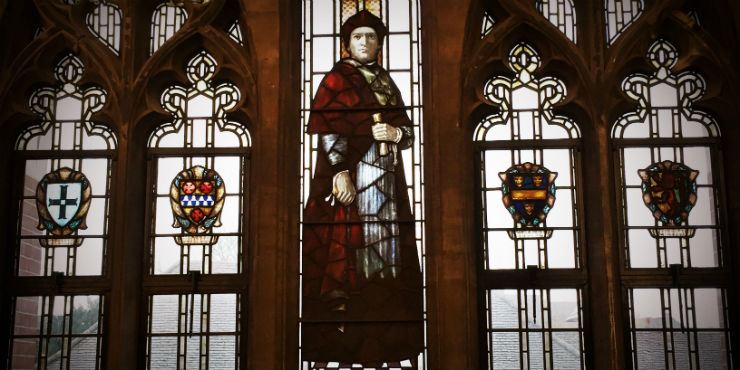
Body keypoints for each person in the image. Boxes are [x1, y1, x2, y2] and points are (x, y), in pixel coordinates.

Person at [301, 10, 423, 364]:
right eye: (358, 37)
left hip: (386, 178)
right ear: (347, 44)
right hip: (353, 177)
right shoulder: (336, 80)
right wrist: (339, 172)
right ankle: (343, 333)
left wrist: (397, 134)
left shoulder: (386, 82)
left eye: (371, 37)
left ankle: (384, 328)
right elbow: (328, 130)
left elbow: (408, 130)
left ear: (380, 44)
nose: (365, 43)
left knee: (387, 252)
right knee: (349, 247)